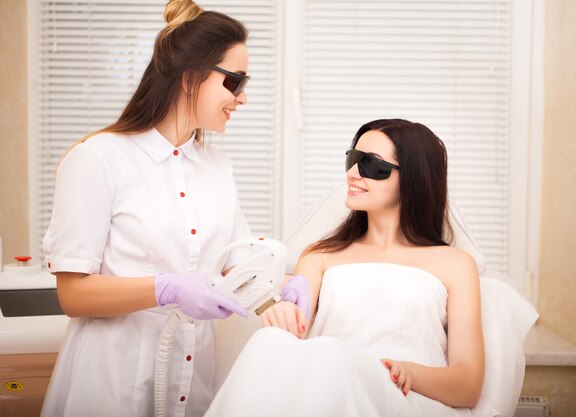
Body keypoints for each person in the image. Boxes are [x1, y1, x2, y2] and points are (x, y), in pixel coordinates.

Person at [39, 1, 290, 416]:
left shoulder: (216, 167)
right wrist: (166, 288)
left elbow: (236, 262)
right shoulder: (98, 159)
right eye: (235, 82)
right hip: (111, 384)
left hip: (193, 384)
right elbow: (73, 294)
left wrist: (278, 297)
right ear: (191, 77)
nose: (242, 98)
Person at [205, 119, 488, 417]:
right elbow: (291, 333)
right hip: (326, 394)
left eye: (371, 165)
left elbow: (467, 386)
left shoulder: (455, 265)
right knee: (271, 340)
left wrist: (409, 373)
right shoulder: (320, 257)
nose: (353, 174)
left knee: (331, 355)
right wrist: (279, 312)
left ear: (414, 178)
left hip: (403, 399)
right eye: (353, 159)